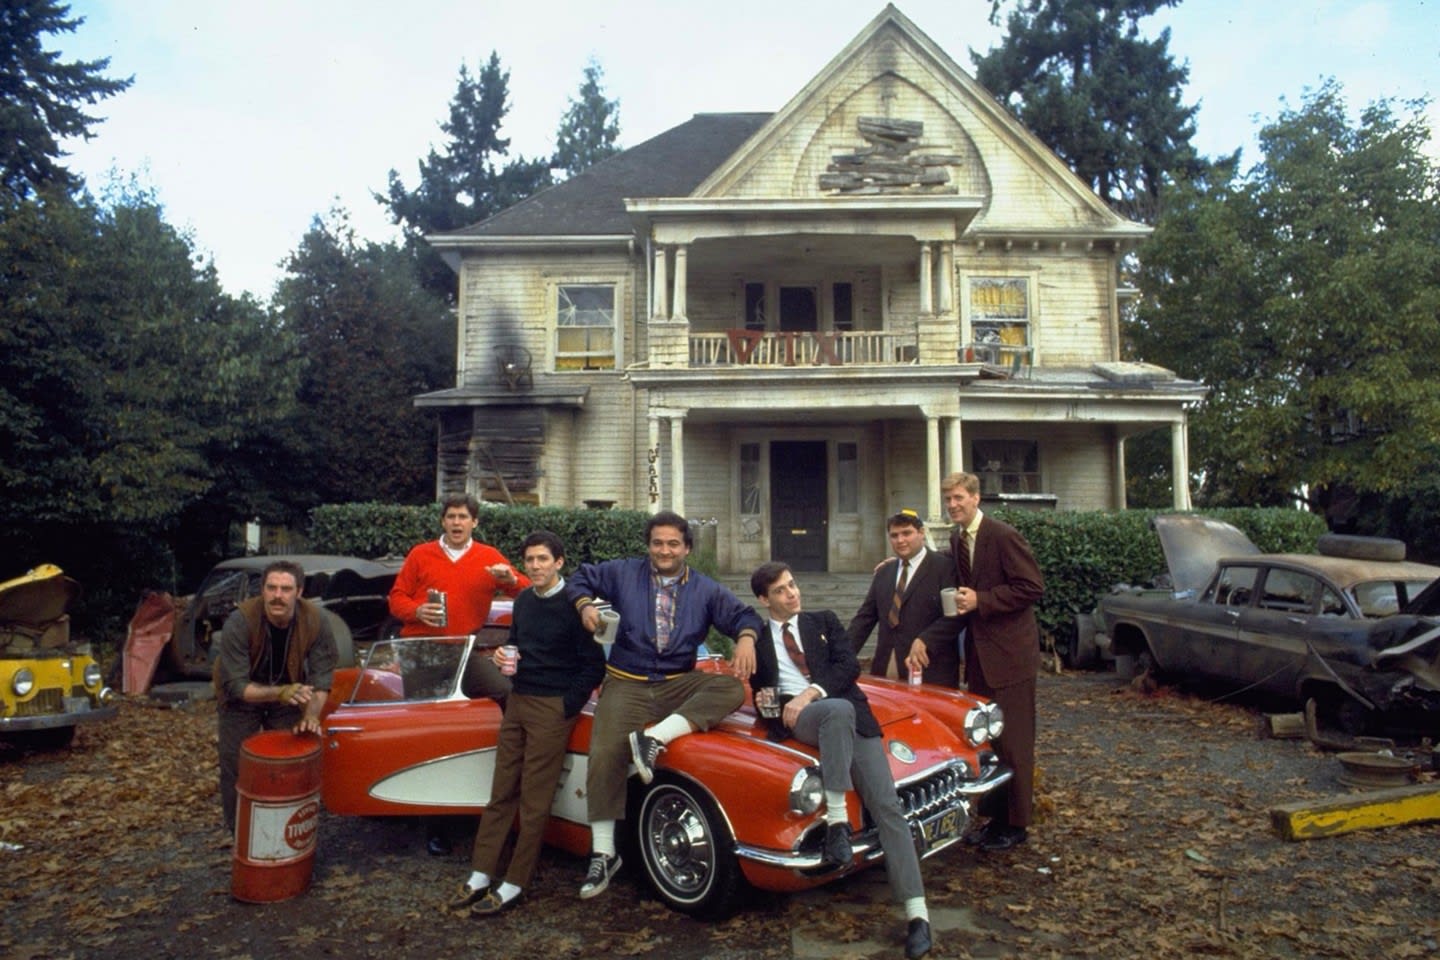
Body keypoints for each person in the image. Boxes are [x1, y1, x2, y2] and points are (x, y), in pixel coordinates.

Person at [566, 509, 764, 899]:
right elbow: (580, 577)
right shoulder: (623, 572)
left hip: (677, 683)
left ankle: (654, 738)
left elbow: (744, 615)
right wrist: (585, 605)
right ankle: (604, 853)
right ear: (648, 546)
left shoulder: (705, 589)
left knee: (730, 689)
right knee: (604, 752)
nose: (665, 550)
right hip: (626, 682)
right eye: (657, 543)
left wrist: (745, 638)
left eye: (673, 543)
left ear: (687, 548)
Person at [750, 561, 933, 960]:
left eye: (793, 584)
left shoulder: (824, 620)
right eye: (781, 590)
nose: (792, 594)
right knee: (836, 711)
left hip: (846, 717)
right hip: (801, 721)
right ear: (764, 599)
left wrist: (809, 693)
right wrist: (773, 704)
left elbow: (848, 667)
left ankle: (917, 914)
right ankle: (838, 822)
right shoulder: (759, 640)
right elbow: (761, 693)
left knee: (888, 807)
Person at [449, 530, 606, 916]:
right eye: (530, 560)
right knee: (501, 790)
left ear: (559, 562)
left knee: (535, 800)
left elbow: (594, 666)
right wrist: (504, 658)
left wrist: (566, 706)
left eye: (542, 559)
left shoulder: (575, 605)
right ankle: (481, 873)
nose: (535, 566)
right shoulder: (523, 600)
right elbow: (516, 645)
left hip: (552, 707)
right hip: (518, 700)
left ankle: (515, 882)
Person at [388, 492, 531, 854]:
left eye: (463, 517)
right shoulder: (421, 554)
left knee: (505, 692)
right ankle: (434, 824)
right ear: (443, 521)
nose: (456, 523)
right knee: (433, 730)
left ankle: (509, 778)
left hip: (464, 649)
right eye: (451, 516)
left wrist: (510, 579)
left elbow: (528, 590)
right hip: (422, 649)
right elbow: (396, 598)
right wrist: (417, 611)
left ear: (474, 522)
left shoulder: (488, 556)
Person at [943, 471, 1044, 852]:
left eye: (958, 498)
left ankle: (1016, 825)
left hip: (1011, 656)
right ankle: (993, 819)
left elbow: (1031, 587)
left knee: (1014, 742)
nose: (953, 505)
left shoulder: (1002, 535)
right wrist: (897, 563)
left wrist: (981, 600)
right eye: (948, 500)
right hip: (980, 657)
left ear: (976, 497)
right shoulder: (957, 539)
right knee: (989, 741)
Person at [214, 559, 336, 832]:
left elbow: (322, 678)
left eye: (285, 589)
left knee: (289, 758)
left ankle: (284, 826)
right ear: (262, 590)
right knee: (235, 762)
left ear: (299, 592)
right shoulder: (240, 621)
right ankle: (240, 832)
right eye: (271, 588)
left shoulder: (316, 620)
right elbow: (238, 686)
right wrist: (279, 692)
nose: (277, 596)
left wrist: (311, 716)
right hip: (241, 698)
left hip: (289, 691)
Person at [847, 509, 962, 686]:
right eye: (894, 535)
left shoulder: (945, 568)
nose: (900, 540)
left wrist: (926, 639)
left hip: (931, 670)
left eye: (907, 533)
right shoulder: (884, 572)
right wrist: (841, 655)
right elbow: (864, 619)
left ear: (921, 533)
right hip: (886, 668)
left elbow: (955, 617)